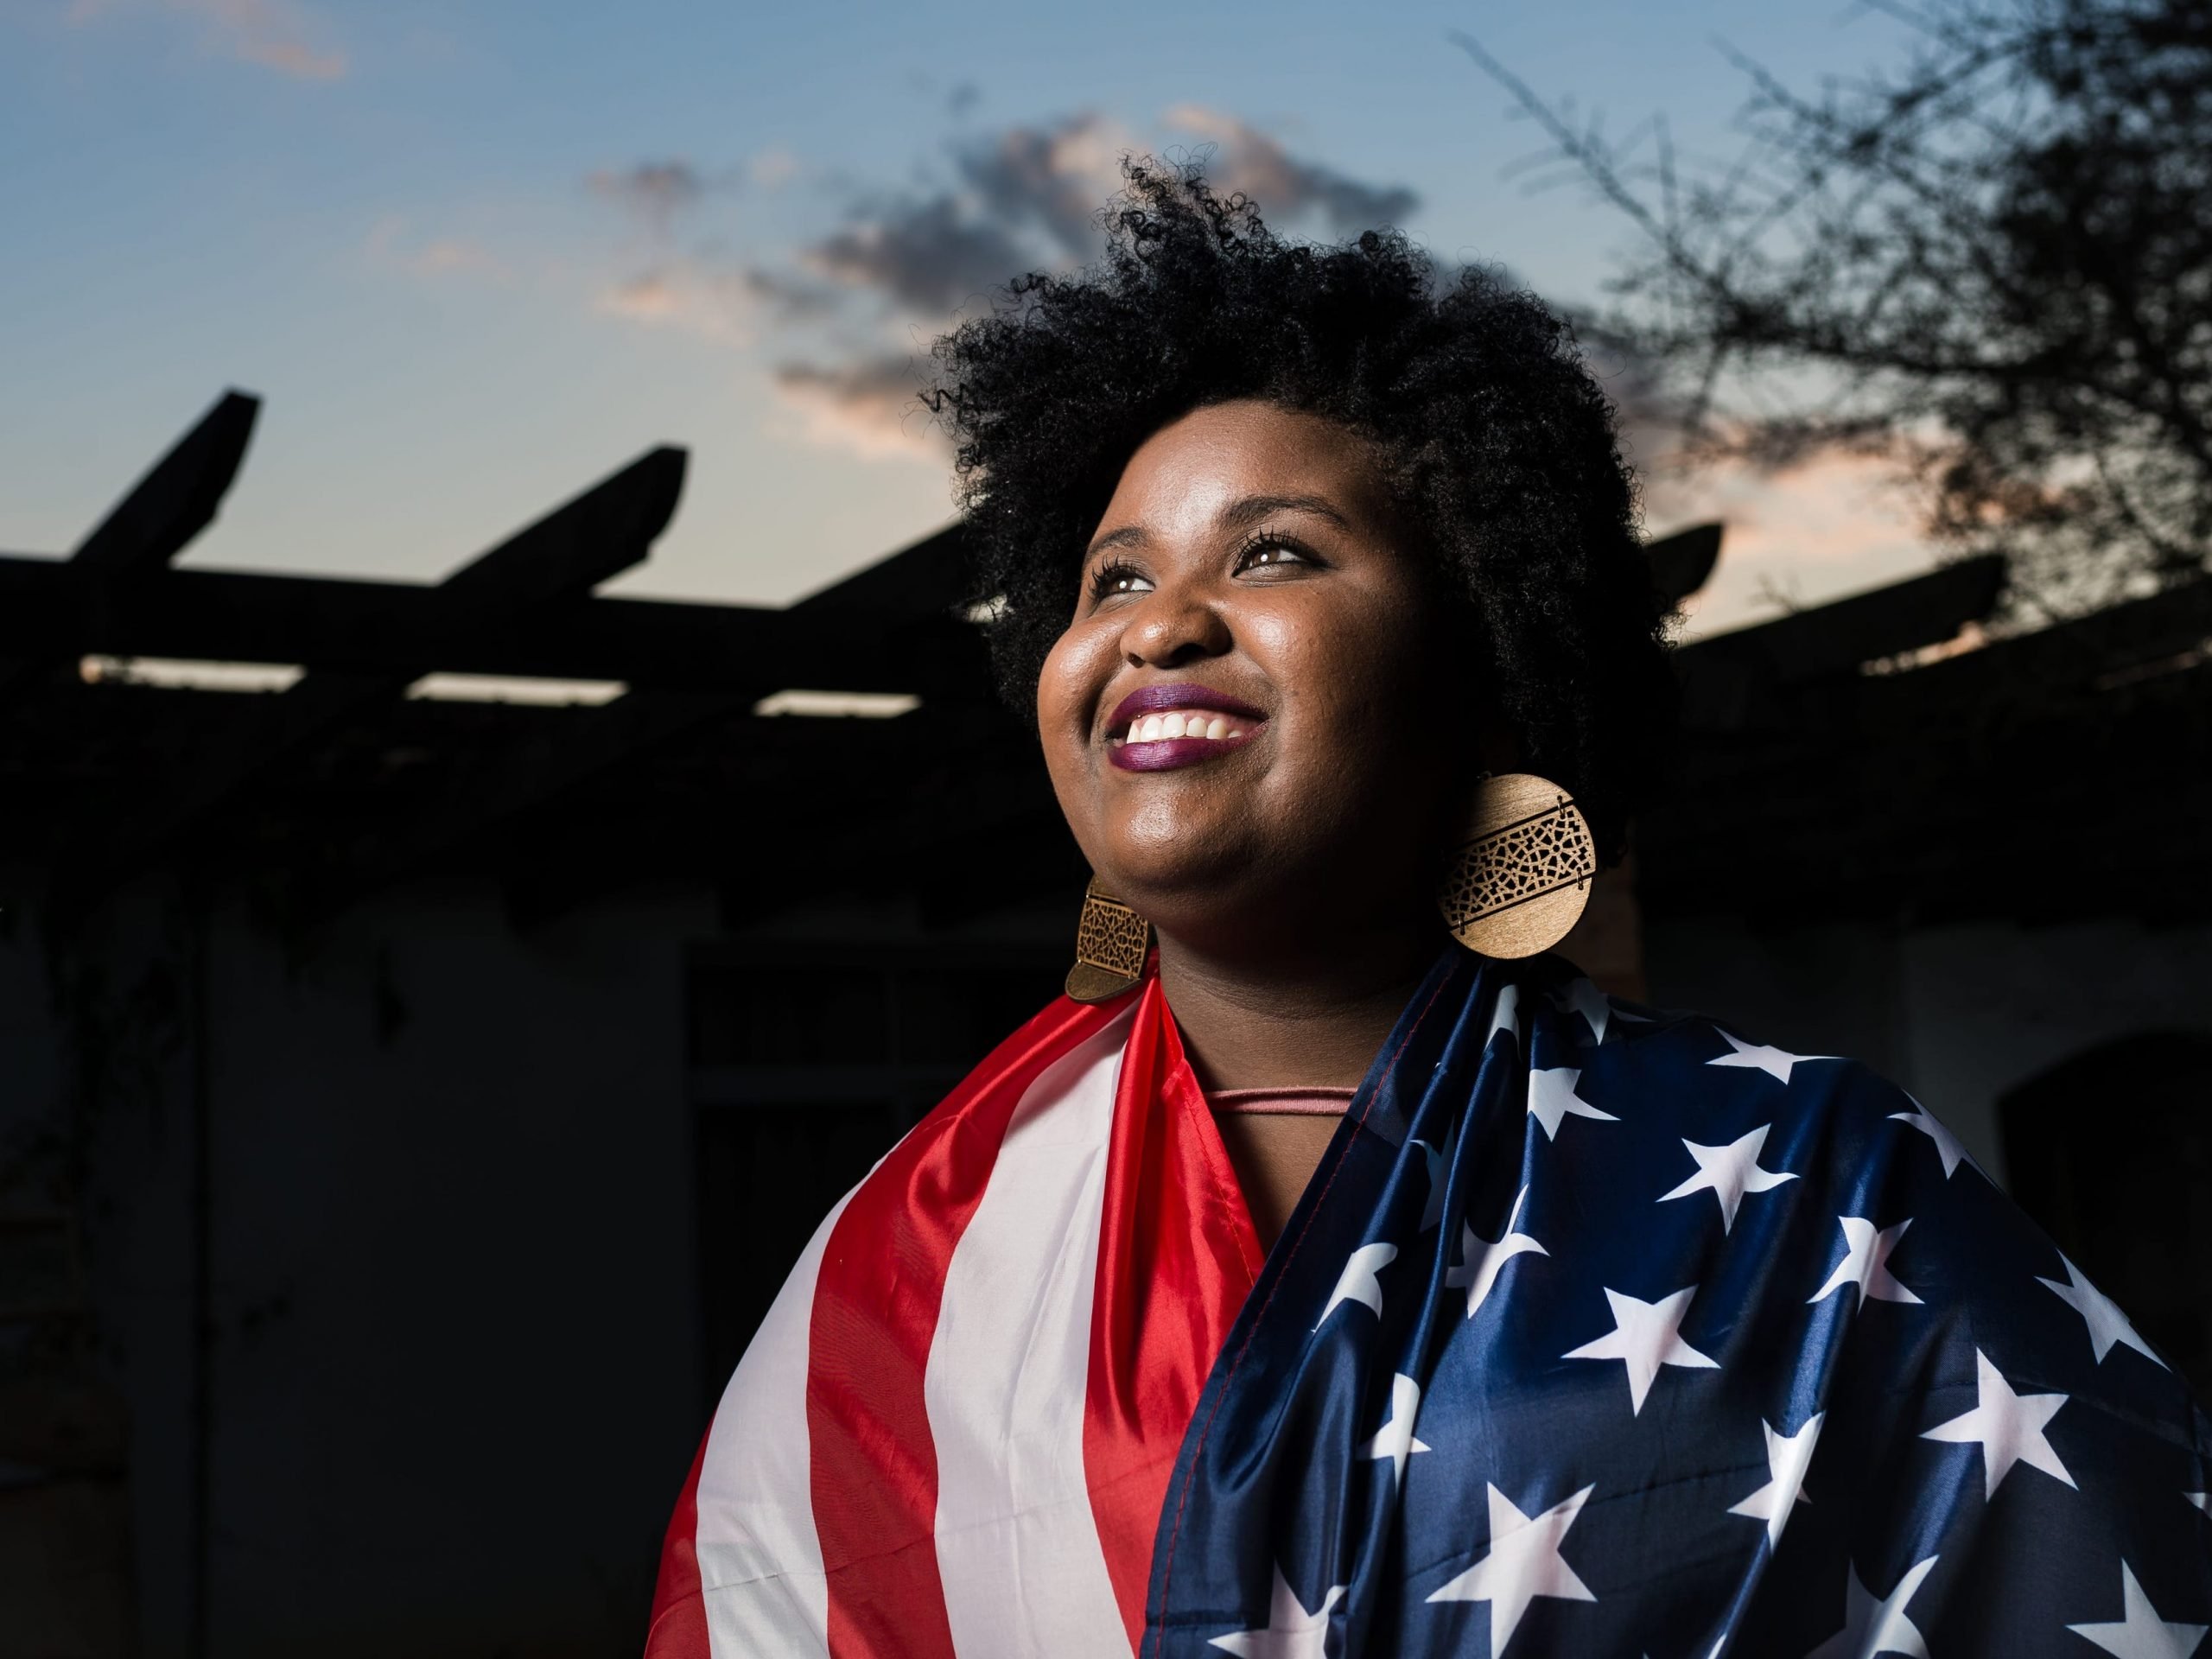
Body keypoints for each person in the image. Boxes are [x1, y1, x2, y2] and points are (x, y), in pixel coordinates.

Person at [645, 163, 2211, 1658]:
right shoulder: (910, 1243)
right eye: (1112, 580)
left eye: (1274, 553)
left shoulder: (1814, 1191)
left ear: (1487, 693)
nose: (1160, 625)